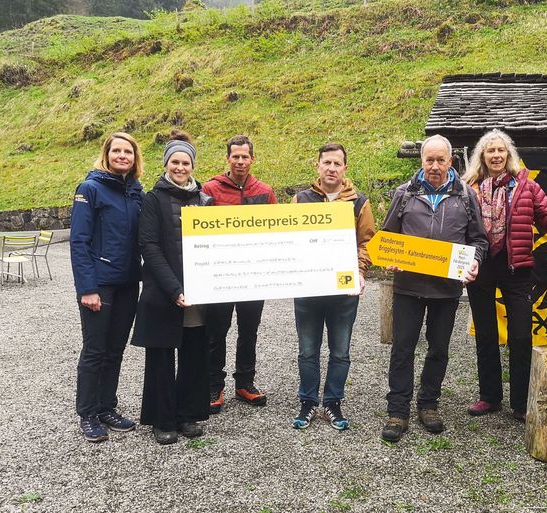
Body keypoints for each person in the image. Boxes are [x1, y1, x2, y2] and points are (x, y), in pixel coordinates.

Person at [380, 135, 488, 442]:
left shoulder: (466, 196)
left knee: (439, 349)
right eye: (430, 160)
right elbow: (388, 237)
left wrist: (475, 261)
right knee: (402, 349)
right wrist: (391, 258)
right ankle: (397, 410)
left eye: (441, 160)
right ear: (421, 161)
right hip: (408, 287)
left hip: (446, 289)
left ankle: (429, 404)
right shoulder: (404, 194)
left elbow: (478, 241)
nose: (435, 166)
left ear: (451, 161)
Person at [463, 129, 547, 421]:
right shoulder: (468, 188)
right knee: (485, 333)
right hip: (480, 266)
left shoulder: (527, 187)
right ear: (482, 156)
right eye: (490, 151)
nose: (496, 155)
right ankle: (489, 397)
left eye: (501, 150)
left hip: (517, 268)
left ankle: (520, 403)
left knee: (521, 336)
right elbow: (454, 225)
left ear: (509, 155)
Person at [131, 130, 212, 445]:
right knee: (162, 357)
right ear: (166, 164)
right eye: (175, 162)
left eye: (186, 162)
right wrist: (174, 288)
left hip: (199, 293)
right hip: (165, 293)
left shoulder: (204, 200)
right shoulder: (153, 199)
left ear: (192, 166)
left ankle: (187, 414)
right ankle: (162, 419)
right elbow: (149, 247)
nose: (180, 167)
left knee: (194, 354)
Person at [290, 143, 376, 430]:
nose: (331, 168)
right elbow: (288, 239)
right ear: (317, 166)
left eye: (337, 163)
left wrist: (360, 270)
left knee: (340, 351)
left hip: (343, 291)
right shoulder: (300, 200)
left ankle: (332, 401)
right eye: (326, 162)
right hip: (308, 289)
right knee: (307, 350)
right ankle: (308, 401)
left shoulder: (359, 203)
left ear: (345, 168)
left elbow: (367, 243)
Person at [70, 132, 144, 442]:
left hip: (128, 283)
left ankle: (106, 407)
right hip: (100, 284)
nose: (122, 155)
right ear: (107, 154)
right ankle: (87, 413)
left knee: (115, 350)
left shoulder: (137, 193)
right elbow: (79, 241)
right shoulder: (90, 189)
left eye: (128, 151)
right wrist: (88, 288)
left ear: (135, 158)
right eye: (117, 151)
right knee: (95, 350)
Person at [203, 135, 277, 412]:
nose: (240, 161)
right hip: (220, 276)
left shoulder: (265, 191)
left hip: (252, 277)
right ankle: (214, 385)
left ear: (252, 159)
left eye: (245, 156)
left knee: (249, 331)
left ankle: (245, 382)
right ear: (228, 158)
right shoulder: (209, 189)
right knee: (216, 332)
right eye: (235, 156)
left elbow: (277, 233)